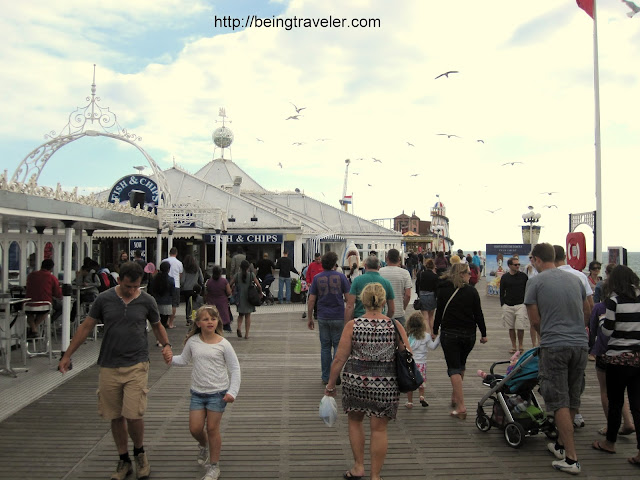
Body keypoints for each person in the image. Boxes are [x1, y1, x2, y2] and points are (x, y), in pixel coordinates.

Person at [58, 261, 171, 480]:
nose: (131, 291)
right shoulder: (104, 299)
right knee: (115, 415)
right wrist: (67, 354)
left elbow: (157, 325)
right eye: (128, 286)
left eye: (136, 286)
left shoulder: (147, 300)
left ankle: (140, 453)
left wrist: (166, 345)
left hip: (137, 363)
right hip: (109, 364)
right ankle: (123, 459)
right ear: (119, 280)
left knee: (134, 413)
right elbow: (86, 326)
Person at [325, 282, 409, 480]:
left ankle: (358, 467)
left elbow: (339, 358)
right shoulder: (394, 325)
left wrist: (330, 385)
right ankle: (375, 476)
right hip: (385, 384)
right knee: (379, 429)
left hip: (355, 382)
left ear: (363, 300)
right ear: (383, 301)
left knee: (355, 421)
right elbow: (408, 353)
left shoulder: (352, 325)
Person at [524, 242, 589, 475]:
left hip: (555, 346)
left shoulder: (535, 282)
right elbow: (587, 309)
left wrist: (549, 335)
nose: (532, 263)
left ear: (538, 260)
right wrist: (576, 330)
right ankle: (561, 445)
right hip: (580, 344)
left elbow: (534, 320)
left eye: (533, 259)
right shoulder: (576, 280)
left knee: (558, 400)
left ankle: (571, 458)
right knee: (573, 396)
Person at [168, 305, 241, 480]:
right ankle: (203, 444)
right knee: (195, 428)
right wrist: (169, 358)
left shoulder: (224, 344)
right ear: (198, 323)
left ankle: (214, 466)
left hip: (218, 393)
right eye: (206, 319)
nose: (210, 322)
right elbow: (183, 360)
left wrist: (233, 391)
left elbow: (235, 368)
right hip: (197, 393)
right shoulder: (193, 342)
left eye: (213, 319)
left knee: (212, 428)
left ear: (218, 322)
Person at [591, 265, 640, 467]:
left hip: (617, 359)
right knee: (637, 405)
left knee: (615, 402)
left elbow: (608, 332)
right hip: (638, 358)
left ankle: (609, 442)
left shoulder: (614, 300)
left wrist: (602, 321)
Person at [433, 263, 487, 419]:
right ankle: (455, 396)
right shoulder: (472, 292)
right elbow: (479, 314)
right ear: (462, 274)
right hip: (469, 335)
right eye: (469, 273)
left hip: (450, 334)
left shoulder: (443, 290)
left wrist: (435, 330)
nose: (471, 276)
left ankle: (461, 406)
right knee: (461, 364)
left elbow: (439, 312)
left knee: (453, 368)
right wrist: (484, 333)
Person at [554, 244, 593, 429]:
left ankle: (560, 419)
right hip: (578, 336)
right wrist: (582, 326)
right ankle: (575, 413)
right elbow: (590, 307)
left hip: (555, 336)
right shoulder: (580, 276)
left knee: (558, 378)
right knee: (577, 377)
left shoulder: (545, 278)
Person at [306, 251, 351, 384]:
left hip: (323, 315)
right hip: (338, 315)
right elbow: (349, 300)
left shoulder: (317, 278)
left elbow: (311, 300)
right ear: (334, 263)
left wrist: (309, 318)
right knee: (338, 345)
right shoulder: (342, 277)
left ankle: (326, 377)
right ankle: (335, 374)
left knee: (325, 347)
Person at [404, 312, 440, 409]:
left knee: (410, 383)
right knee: (422, 382)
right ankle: (421, 396)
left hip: (411, 363)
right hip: (422, 364)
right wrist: (439, 338)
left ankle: (410, 402)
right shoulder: (426, 336)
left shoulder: (408, 336)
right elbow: (433, 347)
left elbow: (405, 348)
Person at [345, 255, 395, 321]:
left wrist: (347, 323)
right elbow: (392, 309)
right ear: (379, 267)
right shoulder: (386, 283)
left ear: (365, 266)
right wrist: (386, 320)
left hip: (359, 319)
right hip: (380, 319)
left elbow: (349, 305)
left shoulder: (357, 281)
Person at [25, 258, 62, 337]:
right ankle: (44, 325)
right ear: (51, 268)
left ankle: (33, 329)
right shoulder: (52, 278)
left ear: (41, 266)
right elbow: (58, 294)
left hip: (29, 304)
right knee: (58, 308)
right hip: (45, 304)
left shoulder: (31, 275)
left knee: (29, 314)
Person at [500, 257, 530, 353]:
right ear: (509, 266)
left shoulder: (524, 276)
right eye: (515, 264)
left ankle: (520, 345)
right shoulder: (505, 277)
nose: (518, 266)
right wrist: (503, 304)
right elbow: (501, 291)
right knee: (511, 327)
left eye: (518, 264)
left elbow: (528, 289)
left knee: (520, 326)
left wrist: (527, 303)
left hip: (521, 304)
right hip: (508, 305)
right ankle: (513, 346)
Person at [229, 260, 262, 339]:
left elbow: (230, 284)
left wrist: (231, 292)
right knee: (248, 316)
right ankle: (247, 334)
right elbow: (259, 285)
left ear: (240, 267)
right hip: (249, 297)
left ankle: (239, 328)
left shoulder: (237, 275)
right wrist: (260, 293)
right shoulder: (251, 275)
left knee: (240, 315)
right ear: (248, 267)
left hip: (240, 298)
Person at [379, 248, 412, 327]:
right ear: (399, 259)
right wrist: (403, 307)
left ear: (387, 258)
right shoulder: (405, 273)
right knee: (400, 337)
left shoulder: (380, 272)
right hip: (399, 312)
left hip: (383, 313)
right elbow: (408, 295)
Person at [204, 265, 232, 333]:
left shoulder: (209, 282)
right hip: (222, 301)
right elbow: (229, 292)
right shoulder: (224, 281)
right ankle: (226, 327)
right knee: (224, 315)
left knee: (213, 315)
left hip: (212, 301)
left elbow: (206, 292)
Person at [162, 247, 184, 329]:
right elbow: (180, 274)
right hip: (176, 284)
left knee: (165, 303)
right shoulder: (179, 263)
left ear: (169, 253)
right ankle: (171, 322)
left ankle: (165, 321)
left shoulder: (164, 261)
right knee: (174, 305)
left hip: (164, 284)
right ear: (176, 253)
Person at [150, 261, 175, 330]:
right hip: (167, 302)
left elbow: (152, 290)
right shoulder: (171, 280)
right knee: (164, 322)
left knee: (157, 321)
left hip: (157, 302)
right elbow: (172, 292)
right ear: (168, 269)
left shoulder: (155, 278)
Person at [416, 258, 438, 333]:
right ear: (433, 266)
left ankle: (427, 333)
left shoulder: (421, 274)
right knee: (431, 316)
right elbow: (436, 288)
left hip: (422, 295)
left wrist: (418, 294)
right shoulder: (435, 276)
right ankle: (432, 332)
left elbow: (417, 285)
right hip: (432, 296)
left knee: (425, 318)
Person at [181, 255, 204, 321]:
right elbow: (201, 279)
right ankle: (196, 317)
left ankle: (188, 317)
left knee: (188, 304)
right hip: (195, 288)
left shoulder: (185, 269)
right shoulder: (197, 268)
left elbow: (182, 280)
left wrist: (182, 286)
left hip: (186, 289)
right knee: (196, 303)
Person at [303, 252, 324, 319]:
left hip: (321, 285)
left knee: (321, 300)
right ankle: (315, 313)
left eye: (319, 259)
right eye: (316, 259)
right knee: (314, 299)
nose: (318, 261)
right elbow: (308, 274)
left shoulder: (322, 265)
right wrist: (308, 282)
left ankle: (320, 312)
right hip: (313, 285)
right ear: (314, 259)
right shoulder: (311, 265)